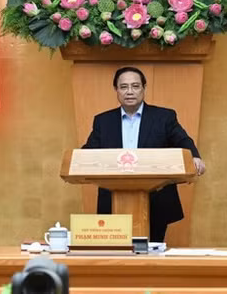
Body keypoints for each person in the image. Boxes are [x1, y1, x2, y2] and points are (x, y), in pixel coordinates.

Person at [82, 66, 206, 242]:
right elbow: (90, 151)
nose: (130, 92)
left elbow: (183, 141)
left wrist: (195, 157)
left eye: (135, 86)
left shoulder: (164, 117)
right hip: (113, 200)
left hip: (156, 199)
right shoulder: (103, 121)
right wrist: (77, 161)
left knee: (152, 254)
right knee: (115, 257)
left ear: (144, 88)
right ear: (116, 90)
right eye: (124, 87)